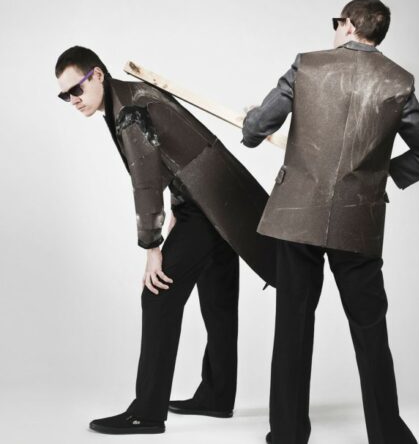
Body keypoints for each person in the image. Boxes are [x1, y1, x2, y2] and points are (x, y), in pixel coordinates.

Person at [242, 0, 419, 444]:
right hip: (359, 223)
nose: (335, 30)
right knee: (371, 330)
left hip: (296, 219)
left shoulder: (307, 66)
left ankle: (288, 435)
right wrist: (379, 176)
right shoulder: (398, 81)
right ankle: (388, 436)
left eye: (337, 22)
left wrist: (250, 121)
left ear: (351, 24)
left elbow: (256, 129)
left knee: (293, 328)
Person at [55, 46, 275, 434]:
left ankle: (147, 412)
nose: (73, 100)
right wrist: (179, 207)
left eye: (77, 89)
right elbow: (180, 149)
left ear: (98, 75)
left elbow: (146, 182)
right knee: (218, 296)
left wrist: (152, 248)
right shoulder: (131, 95)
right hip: (220, 198)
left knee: (157, 295)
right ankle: (217, 395)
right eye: (65, 95)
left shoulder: (128, 111)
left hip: (207, 205)